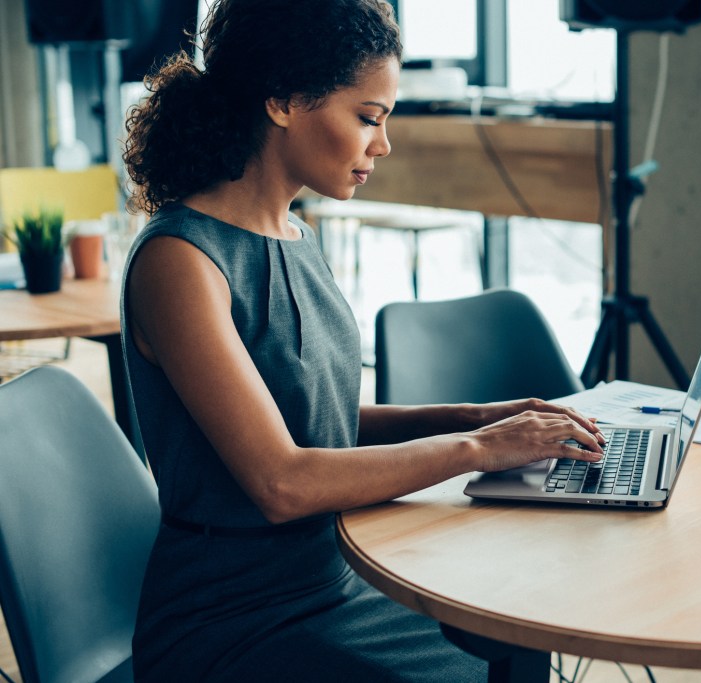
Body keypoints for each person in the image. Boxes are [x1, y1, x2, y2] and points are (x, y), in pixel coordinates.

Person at [119, 0, 604, 680]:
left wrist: (478, 417)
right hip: (230, 619)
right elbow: (281, 479)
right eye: (368, 117)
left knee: (514, 636)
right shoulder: (181, 262)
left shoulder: (296, 235)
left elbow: (318, 419)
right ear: (285, 100)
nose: (382, 144)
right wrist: (477, 448)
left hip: (335, 578)